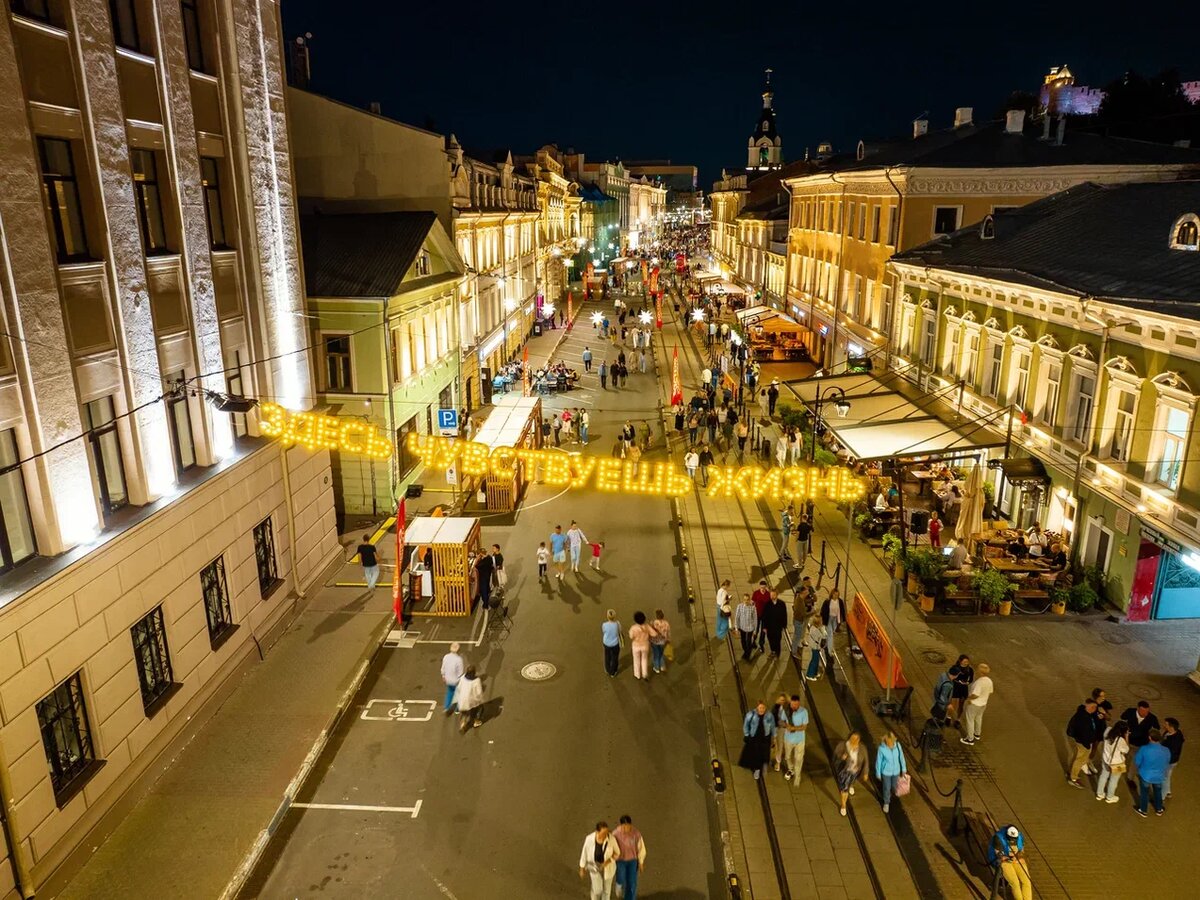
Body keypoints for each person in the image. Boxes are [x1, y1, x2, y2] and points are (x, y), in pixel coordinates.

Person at [988, 825, 1033, 900]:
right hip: (1003, 861)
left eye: (1014, 840)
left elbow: (1021, 851)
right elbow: (998, 855)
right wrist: (1007, 858)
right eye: (1010, 839)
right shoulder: (998, 838)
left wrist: (1019, 857)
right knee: (1015, 883)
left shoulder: (1020, 837)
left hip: (1016, 859)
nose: (1012, 841)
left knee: (1027, 880)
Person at [1121, 700, 1160, 785]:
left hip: (1140, 744)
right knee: (1122, 756)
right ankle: (1116, 770)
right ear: (1138, 709)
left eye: (1147, 712)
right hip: (1127, 741)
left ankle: (1130, 778)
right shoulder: (1130, 712)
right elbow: (1122, 718)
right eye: (1143, 711)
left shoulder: (1152, 718)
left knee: (1135, 761)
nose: (1145, 714)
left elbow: (1157, 728)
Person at [579, 822, 620, 900]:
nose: (606, 835)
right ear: (597, 832)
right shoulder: (589, 839)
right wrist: (582, 868)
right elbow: (584, 853)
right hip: (594, 867)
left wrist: (608, 861)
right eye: (603, 833)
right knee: (597, 890)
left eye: (607, 832)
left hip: (608, 868)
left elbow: (617, 853)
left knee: (606, 890)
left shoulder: (611, 839)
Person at [1134, 729, 1171, 817]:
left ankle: (1143, 810)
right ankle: (1159, 809)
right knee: (1158, 791)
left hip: (1146, 774)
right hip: (1159, 775)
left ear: (1150, 738)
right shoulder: (1166, 750)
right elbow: (1167, 761)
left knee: (1144, 793)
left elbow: (1137, 761)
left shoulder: (1144, 749)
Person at [1066, 697, 1100, 787]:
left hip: (1084, 741)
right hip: (1084, 743)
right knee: (1080, 759)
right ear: (1089, 707)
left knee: (1079, 758)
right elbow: (1084, 733)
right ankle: (1073, 778)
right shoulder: (1084, 718)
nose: (1095, 709)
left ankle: (1071, 772)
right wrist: (1087, 745)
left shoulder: (1085, 713)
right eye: (1093, 707)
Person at [833, 732, 869, 816]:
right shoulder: (842, 746)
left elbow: (866, 760)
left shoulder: (862, 748)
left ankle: (851, 785)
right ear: (849, 738)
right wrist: (842, 757)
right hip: (844, 771)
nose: (854, 740)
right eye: (853, 738)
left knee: (851, 782)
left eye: (857, 739)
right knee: (844, 788)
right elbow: (835, 757)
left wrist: (865, 772)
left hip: (855, 771)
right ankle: (843, 805)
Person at [738, 701, 776, 781]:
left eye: (763, 708)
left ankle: (764, 765)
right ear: (757, 707)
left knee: (765, 753)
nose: (762, 709)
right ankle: (757, 769)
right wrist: (747, 734)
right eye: (760, 708)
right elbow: (746, 725)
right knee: (757, 754)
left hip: (765, 737)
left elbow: (772, 726)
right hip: (755, 737)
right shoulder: (751, 715)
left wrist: (774, 736)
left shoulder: (769, 715)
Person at [1095, 720, 1130, 803]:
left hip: (1106, 760)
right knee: (1114, 780)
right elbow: (1126, 750)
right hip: (1117, 763)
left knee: (1103, 776)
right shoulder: (1120, 740)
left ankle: (1100, 794)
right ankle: (1110, 797)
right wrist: (1126, 737)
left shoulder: (1107, 731)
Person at [612, 816, 646, 900]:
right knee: (621, 877)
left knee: (632, 882)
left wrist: (641, 862)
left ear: (630, 825)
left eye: (627, 826)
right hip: (620, 860)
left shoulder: (636, 834)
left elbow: (641, 848)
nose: (625, 828)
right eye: (623, 826)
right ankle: (619, 884)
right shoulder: (615, 834)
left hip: (632, 860)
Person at [779, 695, 809, 783]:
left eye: (796, 705)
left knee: (798, 758)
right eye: (793, 705)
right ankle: (790, 769)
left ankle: (797, 775)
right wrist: (786, 725)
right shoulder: (786, 711)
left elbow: (804, 727)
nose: (794, 707)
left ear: (799, 703)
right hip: (788, 739)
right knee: (788, 757)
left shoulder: (804, 712)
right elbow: (781, 721)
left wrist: (793, 728)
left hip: (800, 740)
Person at [876, 731, 908, 813]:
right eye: (888, 741)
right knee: (887, 787)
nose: (889, 743)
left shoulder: (897, 745)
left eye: (891, 741)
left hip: (896, 771)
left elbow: (901, 757)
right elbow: (879, 761)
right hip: (886, 772)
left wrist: (903, 768)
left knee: (894, 786)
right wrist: (878, 773)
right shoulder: (881, 749)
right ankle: (886, 802)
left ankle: (889, 795)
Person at [961, 663, 992, 745]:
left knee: (970, 720)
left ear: (981, 672)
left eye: (978, 669)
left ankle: (970, 739)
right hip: (983, 704)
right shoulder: (989, 681)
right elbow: (990, 692)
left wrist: (969, 698)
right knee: (978, 718)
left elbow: (976, 694)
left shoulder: (979, 682)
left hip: (974, 704)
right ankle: (977, 734)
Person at [453, 665, 485, 732]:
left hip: (462, 701)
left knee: (464, 713)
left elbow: (458, 688)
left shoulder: (462, 678)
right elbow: (479, 693)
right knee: (479, 709)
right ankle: (476, 721)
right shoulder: (477, 681)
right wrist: (481, 700)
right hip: (471, 702)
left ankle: (462, 725)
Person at [947, 654, 973, 726]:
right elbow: (950, 676)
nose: (966, 663)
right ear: (960, 661)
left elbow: (971, 679)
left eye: (967, 662)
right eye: (965, 661)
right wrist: (957, 680)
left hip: (963, 688)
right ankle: (949, 717)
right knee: (953, 704)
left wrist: (967, 683)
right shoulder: (955, 667)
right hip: (955, 687)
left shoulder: (970, 669)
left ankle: (958, 719)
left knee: (961, 705)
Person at [1162, 717, 1185, 799]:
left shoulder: (1175, 740)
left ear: (1171, 727)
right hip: (1170, 760)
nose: (1164, 725)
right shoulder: (1169, 733)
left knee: (1164, 778)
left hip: (1169, 761)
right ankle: (1168, 792)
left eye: (1166, 724)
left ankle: (1162, 797)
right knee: (1167, 776)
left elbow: (1171, 753)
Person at [761, 591, 787, 658]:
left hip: (778, 626)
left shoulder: (782, 604)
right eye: (771, 595)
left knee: (778, 640)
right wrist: (764, 627)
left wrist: (784, 625)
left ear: (777, 595)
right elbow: (764, 616)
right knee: (770, 639)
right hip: (769, 627)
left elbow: (784, 615)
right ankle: (773, 651)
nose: (772, 596)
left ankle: (777, 652)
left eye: (773, 595)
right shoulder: (767, 604)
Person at [629, 611, 654, 681]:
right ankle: (644, 674)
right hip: (645, 645)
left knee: (636, 660)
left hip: (636, 646)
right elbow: (654, 634)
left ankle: (637, 675)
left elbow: (631, 636)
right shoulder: (647, 626)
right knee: (644, 659)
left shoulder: (633, 628)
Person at [734, 593, 758, 662]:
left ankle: (747, 655)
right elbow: (737, 618)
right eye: (745, 600)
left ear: (749, 600)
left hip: (750, 628)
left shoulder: (753, 608)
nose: (746, 601)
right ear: (743, 600)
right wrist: (736, 628)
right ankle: (746, 651)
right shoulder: (739, 606)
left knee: (748, 642)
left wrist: (755, 630)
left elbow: (755, 619)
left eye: (747, 600)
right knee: (743, 641)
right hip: (742, 627)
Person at [440, 642, 463, 714]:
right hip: (456, 680)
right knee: (458, 694)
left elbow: (443, 668)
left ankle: (446, 707)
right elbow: (460, 672)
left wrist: (443, 676)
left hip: (447, 679)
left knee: (449, 692)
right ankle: (457, 709)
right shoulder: (459, 659)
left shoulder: (446, 657)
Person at [804, 614, 826, 680]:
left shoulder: (813, 627)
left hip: (815, 646)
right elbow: (823, 636)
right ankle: (810, 675)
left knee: (816, 660)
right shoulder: (816, 630)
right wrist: (823, 629)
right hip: (815, 647)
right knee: (814, 660)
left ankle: (815, 673)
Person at [601, 609, 622, 677]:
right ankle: (613, 672)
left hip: (606, 643)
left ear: (607, 616)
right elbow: (620, 631)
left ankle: (607, 669)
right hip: (615, 643)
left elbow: (604, 631)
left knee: (607, 656)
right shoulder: (617, 624)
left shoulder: (604, 624)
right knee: (615, 657)